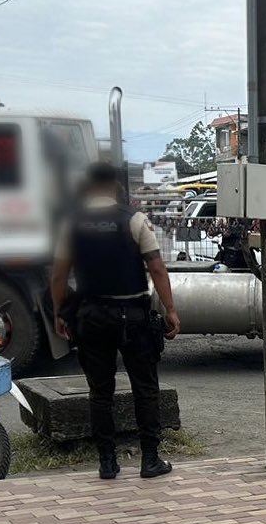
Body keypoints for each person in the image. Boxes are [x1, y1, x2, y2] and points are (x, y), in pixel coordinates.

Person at [50, 162, 182, 480]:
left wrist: (58, 313)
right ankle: (150, 460)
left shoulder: (72, 223)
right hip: (133, 316)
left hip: (92, 315)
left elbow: (58, 273)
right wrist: (170, 309)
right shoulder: (133, 219)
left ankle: (107, 463)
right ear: (113, 187)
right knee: (145, 388)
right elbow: (157, 267)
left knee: (100, 392)